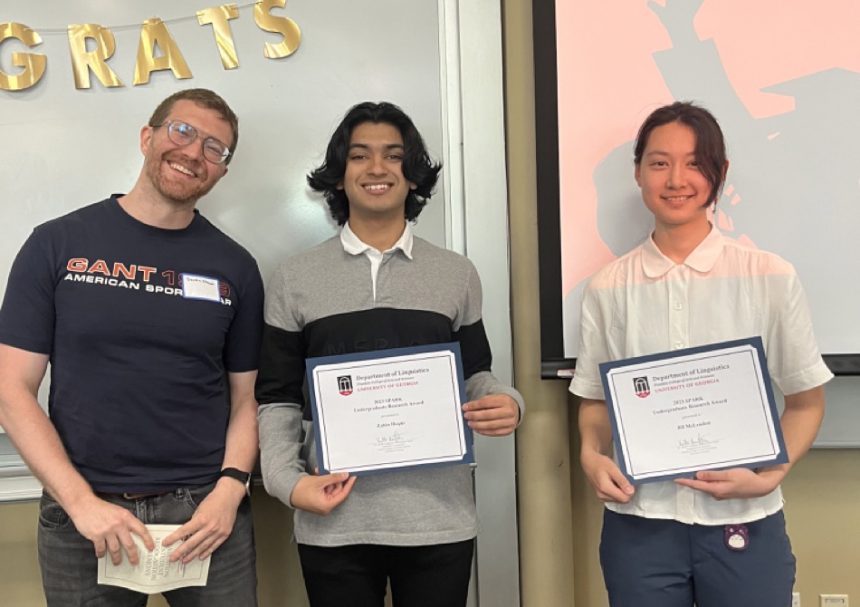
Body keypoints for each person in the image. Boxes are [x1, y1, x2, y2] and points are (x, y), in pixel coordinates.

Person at [0, 88, 264, 607]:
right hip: (83, 514)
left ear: (221, 172)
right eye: (182, 131)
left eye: (216, 148)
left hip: (204, 514)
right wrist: (81, 504)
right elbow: (12, 390)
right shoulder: (57, 245)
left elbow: (246, 399)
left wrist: (230, 491)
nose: (194, 153)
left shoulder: (236, 267)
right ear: (148, 137)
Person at [256, 101, 524, 607]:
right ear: (339, 176)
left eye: (393, 156)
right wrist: (288, 484)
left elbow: (476, 375)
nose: (376, 168)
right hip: (332, 520)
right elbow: (277, 398)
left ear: (413, 176)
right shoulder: (294, 278)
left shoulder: (456, 273)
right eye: (359, 156)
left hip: (438, 520)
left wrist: (508, 402)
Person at [571, 101, 831, 607]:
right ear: (639, 172)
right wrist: (589, 452)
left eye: (694, 163)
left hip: (745, 521)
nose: (676, 179)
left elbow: (806, 402)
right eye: (660, 162)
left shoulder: (769, 275)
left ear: (720, 174)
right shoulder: (606, 287)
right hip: (640, 523)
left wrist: (769, 476)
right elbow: (597, 401)